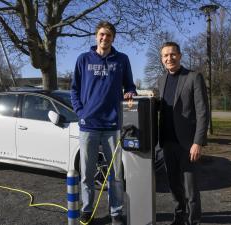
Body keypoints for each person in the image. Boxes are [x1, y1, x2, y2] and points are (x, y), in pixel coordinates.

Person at [70, 21, 136, 225]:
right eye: (101, 34)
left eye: (108, 35)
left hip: (112, 126)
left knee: (116, 174)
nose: (104, 38)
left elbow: (130, 85)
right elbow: (74, 89)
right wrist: (80, 112)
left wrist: (131, 93)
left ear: (113, 38)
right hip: (88, 125)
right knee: (86, 174)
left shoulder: (122, 60)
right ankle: (87, 209)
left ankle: (116, 212)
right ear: (95, 36)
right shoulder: (83, 59)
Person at [158, 42, 209, 225]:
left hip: (188, 143)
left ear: (179, 55)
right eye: (165, 56)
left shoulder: (194, 77)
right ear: (162, 59)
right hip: (167, 142)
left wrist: (198, 142)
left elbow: (203, 112)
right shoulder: (161, 80)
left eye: (172, 54)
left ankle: (193, 220)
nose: (169, 58)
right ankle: (179, 216)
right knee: (173, 185)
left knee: (191, 188)